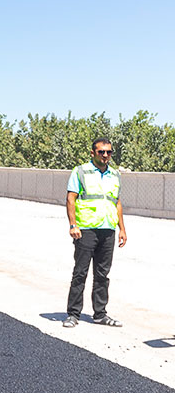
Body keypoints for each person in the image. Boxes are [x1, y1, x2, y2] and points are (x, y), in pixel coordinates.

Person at [64, 138, 127, 328]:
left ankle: (100, 314)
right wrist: (73, 225)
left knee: (102, 275)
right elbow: (71, 198)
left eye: (109, 152)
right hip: (86, 230)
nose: (106, 155)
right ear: (93, 153)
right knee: (80, 273)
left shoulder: (115, 175)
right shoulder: (81, 171)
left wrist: (122, 228)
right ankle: (73, 314)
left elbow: (116, 202)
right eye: (101, 152)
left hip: (107, 230)